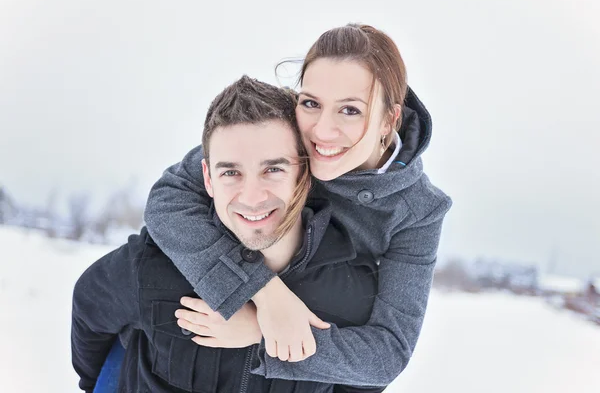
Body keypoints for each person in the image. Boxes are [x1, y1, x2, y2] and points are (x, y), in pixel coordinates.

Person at [144, 23, 452, 386]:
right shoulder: (284, 126)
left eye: (350, 110)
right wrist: (262, 292)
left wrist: (264, 334)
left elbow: (387, 353)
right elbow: (168, 199)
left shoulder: (418, 211)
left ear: (389, 119)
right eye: (311, 103)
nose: (322, 130)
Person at [71, 76, 383, 393]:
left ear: (302, 172)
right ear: (208, 178)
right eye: (231, 172)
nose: (251, 196)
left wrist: (266, 333)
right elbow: (89, 308)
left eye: (273, 169)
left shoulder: (352, 294)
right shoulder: (156, 264)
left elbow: (367, 380)